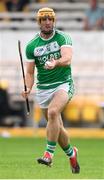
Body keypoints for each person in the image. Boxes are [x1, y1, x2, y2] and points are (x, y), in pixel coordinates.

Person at [22, 7, 80, 173]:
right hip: (44, 89)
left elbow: (67, 58)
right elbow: (30, 73)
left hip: (63, 84)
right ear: (39, 22)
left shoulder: (62, 37)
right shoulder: (32, 45)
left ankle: (48, 155)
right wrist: (27, 87)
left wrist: (56, 62)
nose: (47, 23)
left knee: (54, 113)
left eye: (50, 19)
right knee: (57, 127)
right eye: (44, 20)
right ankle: (72, 153)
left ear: (54, 21)